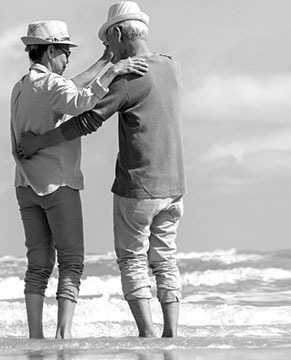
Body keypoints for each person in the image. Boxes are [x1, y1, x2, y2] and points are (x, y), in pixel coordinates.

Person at [15, 1, 187, 338]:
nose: (110, 47)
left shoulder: (127, 78)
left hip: (137, 185)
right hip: (175, 184)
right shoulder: (172, 66)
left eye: (110, 40)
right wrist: (107, 61)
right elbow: (71, 91)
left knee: (133, 260)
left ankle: (148, 334)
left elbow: (87, 117)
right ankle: (171, 333)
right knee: (166, 260)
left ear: (120, 32)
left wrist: (40, 141)